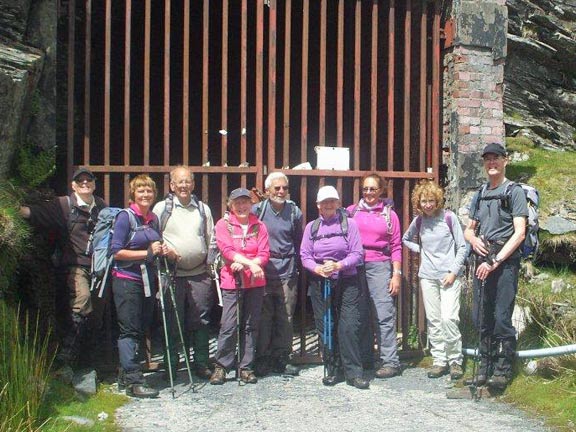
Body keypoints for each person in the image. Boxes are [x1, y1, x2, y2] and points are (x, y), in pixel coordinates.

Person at [20, 168, 106, 374]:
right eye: (80, 181)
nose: (85, 183)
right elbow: (36, 214)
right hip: (74, 265)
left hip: (99, 268)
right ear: (73, 185)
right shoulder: (64, 205)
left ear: (94, 184)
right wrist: (14, 208)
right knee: (81, 303)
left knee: (97, 315)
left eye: (89, 180)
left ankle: (87, 362)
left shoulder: (101, 206)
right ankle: (64, 360)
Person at [464, 143, 528, 390]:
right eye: (488, 159)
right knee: (481, 315)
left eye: (496, 158)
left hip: (504, 262)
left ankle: (503, 368)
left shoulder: (514, 192)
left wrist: (496, 261)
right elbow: (469, 229)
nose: (492, 163)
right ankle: (484, 365)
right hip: (483, 258)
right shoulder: (480, 193)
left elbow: (520, 233)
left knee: (501, 317)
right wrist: (473, 240)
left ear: (505, 161)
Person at [300, 185, 369, 390]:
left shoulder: (350, 225)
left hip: (347, 280)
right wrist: (318, 269)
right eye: (324, 202)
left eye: (332, 201)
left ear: (338, 203)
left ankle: (354, 373)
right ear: (318, 205)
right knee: (325, 325)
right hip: (321, 281)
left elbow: (358, 253)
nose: (328, 205)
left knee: (348, 325)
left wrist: (339, 265)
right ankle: (333, 369)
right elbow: (305, 255)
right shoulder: (311, 227)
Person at [152, 166, 215, 380]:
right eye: (179, 182)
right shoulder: (162, 208)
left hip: (199, 273)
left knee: (201, 319)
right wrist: (164, 250)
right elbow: (153, 236)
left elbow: (210, 238)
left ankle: (200, 362)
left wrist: (210, 265)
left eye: (187, 181)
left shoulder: (202, 209)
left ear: (193, 184)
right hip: (172, 273)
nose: (184, 185)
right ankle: (171, 364)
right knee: (171, 319)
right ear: (171, 185)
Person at [402, 180, 467, 380]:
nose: (428, 205)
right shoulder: (419, 221)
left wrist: (454, 272)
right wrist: (422, 251)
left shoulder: (449, 218)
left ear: (437, 200)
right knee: (434, 319)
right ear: (418, 203)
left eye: (431, 200)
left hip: (448, 276)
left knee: (449, 318)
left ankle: (455, 360)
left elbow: (463, 247)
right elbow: (406, 239)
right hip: (427, 276)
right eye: (424, 201)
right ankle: (440, 360)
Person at [111, 174, 165, 398]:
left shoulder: (152, 219)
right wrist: (148, 253)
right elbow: (116, 251)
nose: (145, 194)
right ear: (133, 193)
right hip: (126, 280)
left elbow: (156, 246)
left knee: (141, 327)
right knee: (129, 330)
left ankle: (126, 377)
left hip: (147, 280)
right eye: (141, 191)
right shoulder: (126, 217)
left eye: (149, 191)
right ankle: (134, 381)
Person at [209, 188, 270, 385]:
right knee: (229, 324)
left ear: (251, 204)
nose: (242, 206)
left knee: (251, 325)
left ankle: (246, 367)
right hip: (232, 280)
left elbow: (265, 252)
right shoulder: (223, 225)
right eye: (237, 203)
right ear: (231, 205)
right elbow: (226, 250)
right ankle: (222, 366)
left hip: (255, 281)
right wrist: (250, 263)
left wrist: (249, 264)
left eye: (245, 202)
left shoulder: (259, 226)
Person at [346, 173, 402, 379]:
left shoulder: (389, 215)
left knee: (383, 314)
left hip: (380, 266)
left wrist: (396, 275)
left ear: (381, 191)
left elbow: (396, 246)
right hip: (355, 265)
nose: (368, 193)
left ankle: (390, 361)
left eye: (373, 189)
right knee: (358, 314)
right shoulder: (351, 212)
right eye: (365, 189)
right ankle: (365, 357)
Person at [253, 172, 303, 377]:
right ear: (267, 191)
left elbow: (298, 239)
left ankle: (282, 358)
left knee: (286, 316)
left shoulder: (294, 212)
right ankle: (262, 358)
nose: (281, 191)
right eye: (276, 188)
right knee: (263, 316)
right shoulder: (258, 211)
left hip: (287, 269)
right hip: (263, 269)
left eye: (284, 188)